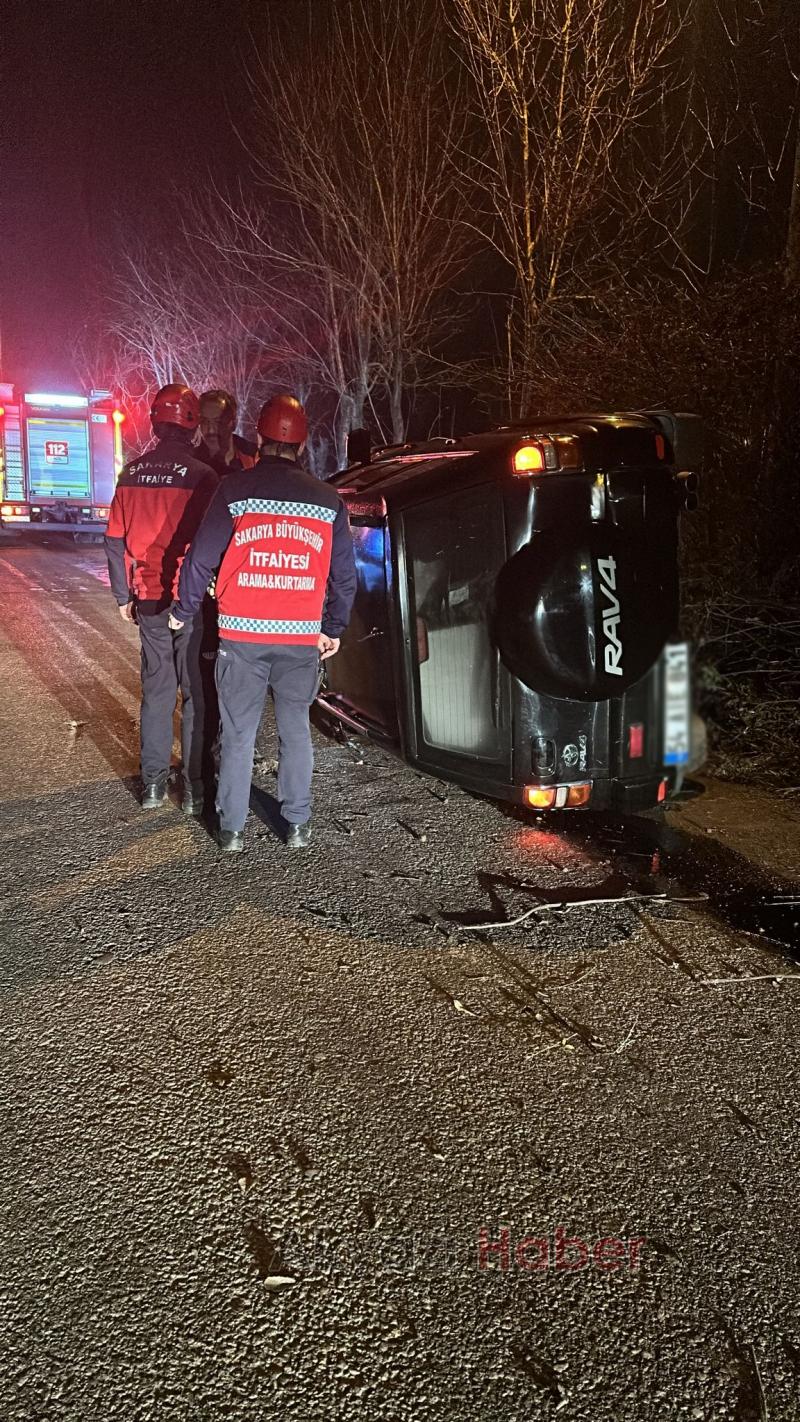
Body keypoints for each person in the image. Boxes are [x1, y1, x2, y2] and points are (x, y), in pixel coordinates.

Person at [169, 392, 356, 853]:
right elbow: (345, 577)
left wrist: (182, 610)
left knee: (238, 732)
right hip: (299, 639)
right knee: (295, 729)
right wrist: (332, 628)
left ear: (260, 436)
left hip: (242, 638)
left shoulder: (234, 491)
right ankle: (296, 824)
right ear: (303, 443)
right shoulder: (327, 500)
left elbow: (200, 559)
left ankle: (231, 829)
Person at [104, 383, 220, 812]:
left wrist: (121, 594)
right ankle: (192, 792)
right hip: (188, 600)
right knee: (194, 694)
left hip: (147, 599)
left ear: (155, 422)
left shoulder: (130, 474)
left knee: (157, 692)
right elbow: (210, 543)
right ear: (191, 424)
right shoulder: (203, 477)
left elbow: (113, 542)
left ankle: (152, 786)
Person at [198, 389, 257, 478]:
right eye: (205, 421)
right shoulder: (192, 461)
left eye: (218, 422)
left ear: (233, 423)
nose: (211, 430)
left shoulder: (254, 456)